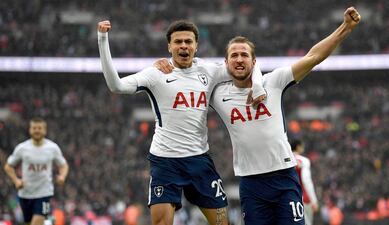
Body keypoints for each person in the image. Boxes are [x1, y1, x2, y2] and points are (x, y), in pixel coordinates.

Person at [194, 6, 360, 225]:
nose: (239, 59)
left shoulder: (274, 81)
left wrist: (345, 28)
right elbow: (192, 73)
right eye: (234, 55)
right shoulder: (218, 95)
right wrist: (165, 66)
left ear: (254, 63)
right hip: (251, 184)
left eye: (245, 54)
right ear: (225, 64)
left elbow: (313, 57)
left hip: (284, 177)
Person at [97, 20, 265, 225]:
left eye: (188, 41)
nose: (183, 46)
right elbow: (116, 86)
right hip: (165, 162)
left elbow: (250, 67)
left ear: (196, 46)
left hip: (199, 161)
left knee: (222, 222)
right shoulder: (156, 74)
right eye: (178, 42)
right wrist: (103, 39)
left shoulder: (208, 70)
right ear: (169, 46)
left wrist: (257, 86)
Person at [4, 118, 69, 225]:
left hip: (44, 192)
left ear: (45, 130)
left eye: (39, 128)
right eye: (34, 128)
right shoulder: (22, 148)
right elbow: (8, 166)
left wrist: (62, 176)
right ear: (30, 130)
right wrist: (16, 181)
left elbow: (63, 165)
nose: (37, 131)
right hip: (25, 193)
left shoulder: (52, 148)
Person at [291, 139, 319, 225]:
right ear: (298, 147)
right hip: (303, 198)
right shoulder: (303, 161)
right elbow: (306, 181)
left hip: (286, 198)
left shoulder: (284, 160)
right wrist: (314, 201)